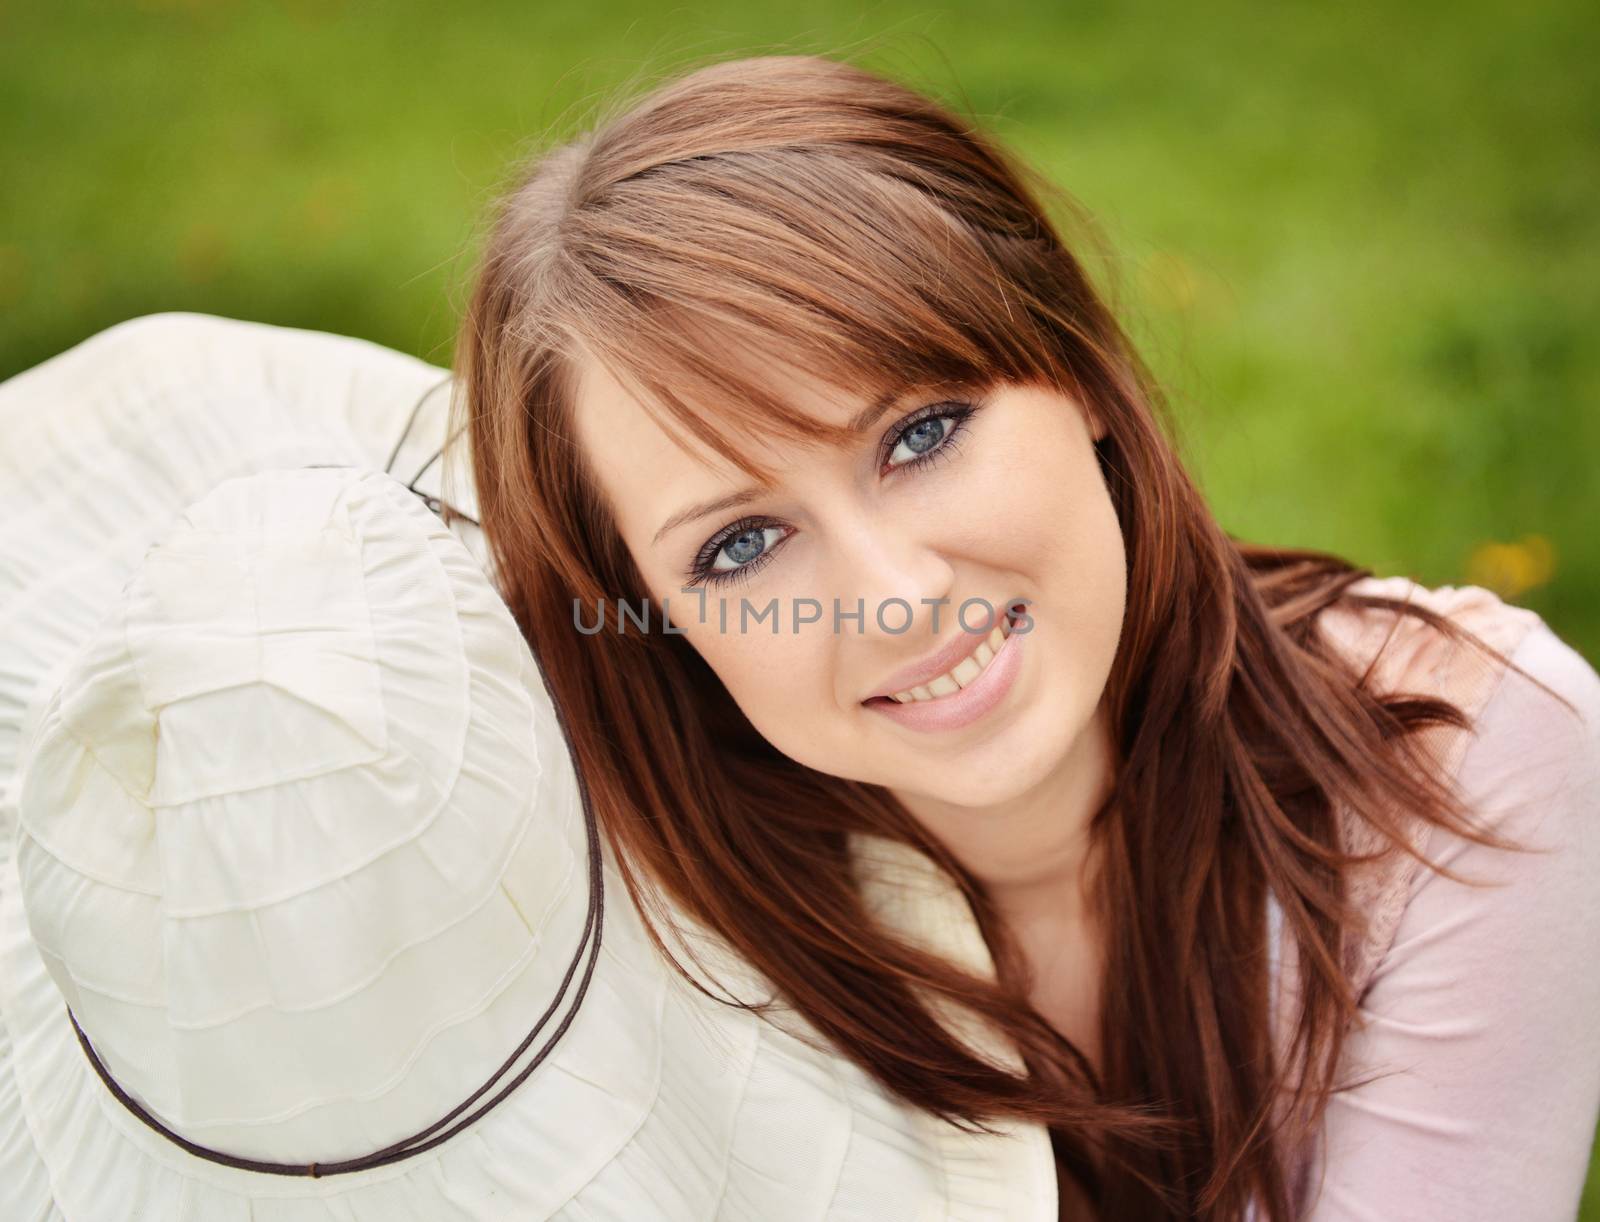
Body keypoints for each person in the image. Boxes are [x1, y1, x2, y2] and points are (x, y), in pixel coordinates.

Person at [445, 52, 1600, 1219]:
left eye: (921, 433)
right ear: (652, 622)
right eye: (741, 544)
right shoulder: (615, 947)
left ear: (1076, 368)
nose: (892, 596)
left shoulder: (1465, 763)